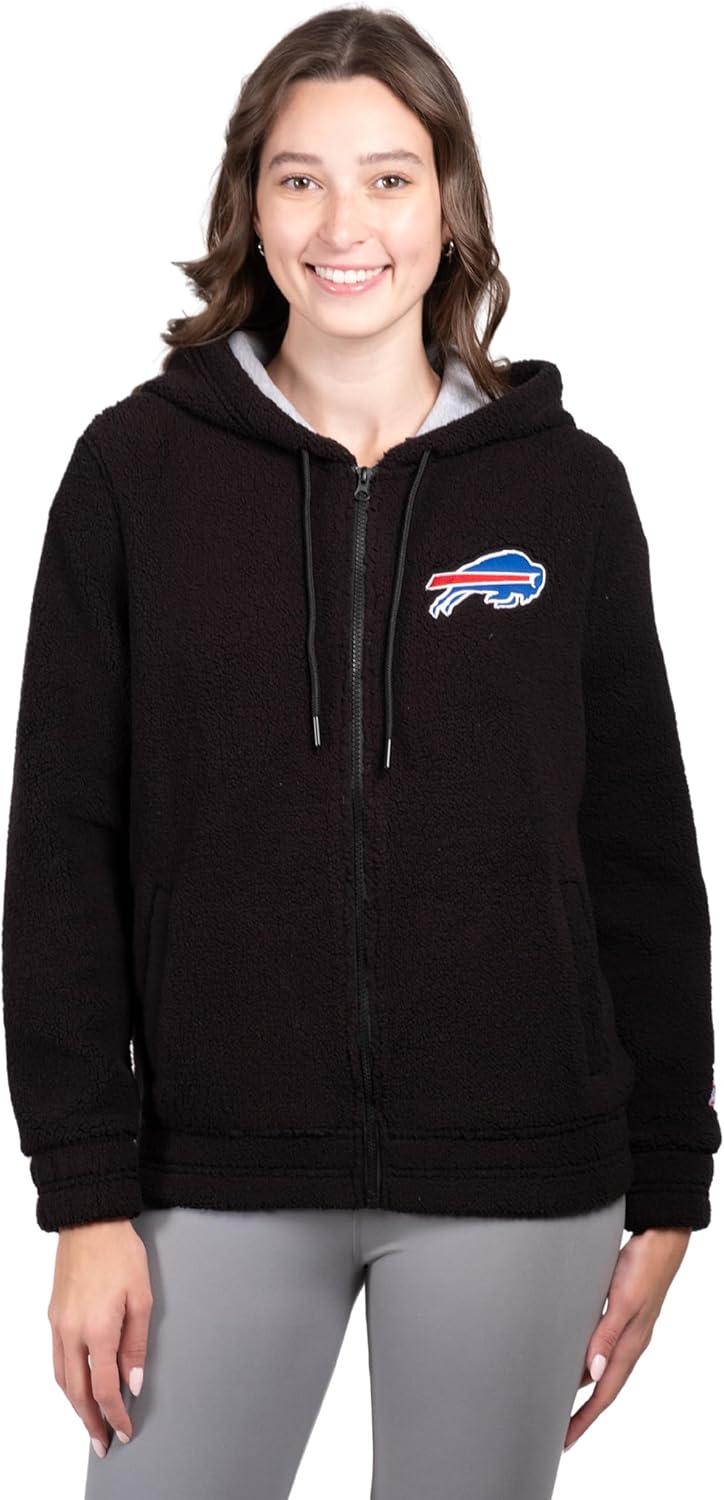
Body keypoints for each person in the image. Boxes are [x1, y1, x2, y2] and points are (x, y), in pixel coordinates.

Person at [2, 8, 720, 1498]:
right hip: (206, 1167)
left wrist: (672, 1179)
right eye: (301, 179)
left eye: (390, 179)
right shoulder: (134, 473)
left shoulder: (567, 491)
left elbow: (640, 851)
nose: (346, 226)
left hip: (520, 1170)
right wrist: (82, 1192)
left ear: (448, 205)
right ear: (250, 207)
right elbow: (61, 845)